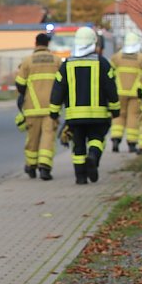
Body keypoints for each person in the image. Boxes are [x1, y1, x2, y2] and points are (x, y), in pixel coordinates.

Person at [49, 26, 119, 185]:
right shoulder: (102, 63)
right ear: (94, 43)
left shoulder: (67, 64)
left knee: (78, 145)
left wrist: (54, 111)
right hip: (98, 116)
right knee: (97, 139)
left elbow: (58, 89)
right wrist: (115, 109)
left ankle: (80, 177)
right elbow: (111, 87)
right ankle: (93, 157)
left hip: (74, 117)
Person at [15, 33, 63, 180]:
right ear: (47, 44)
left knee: (32, 138)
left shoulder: (27, 61)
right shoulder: (57, 61)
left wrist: (27, 95)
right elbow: (63, 84)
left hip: (32, 107)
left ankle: (31, 166)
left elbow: (20, 84)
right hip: (51, 107)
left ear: (36, 43)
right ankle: (45, 167)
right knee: (48, 137)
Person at [109, 32, 142, 153]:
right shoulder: (141, 58)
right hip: (135, 93)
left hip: (119, 92)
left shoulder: (116, 57)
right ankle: (131, 143)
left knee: (119, 115)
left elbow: (110, 73)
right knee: (133, 116)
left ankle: (116, 138)